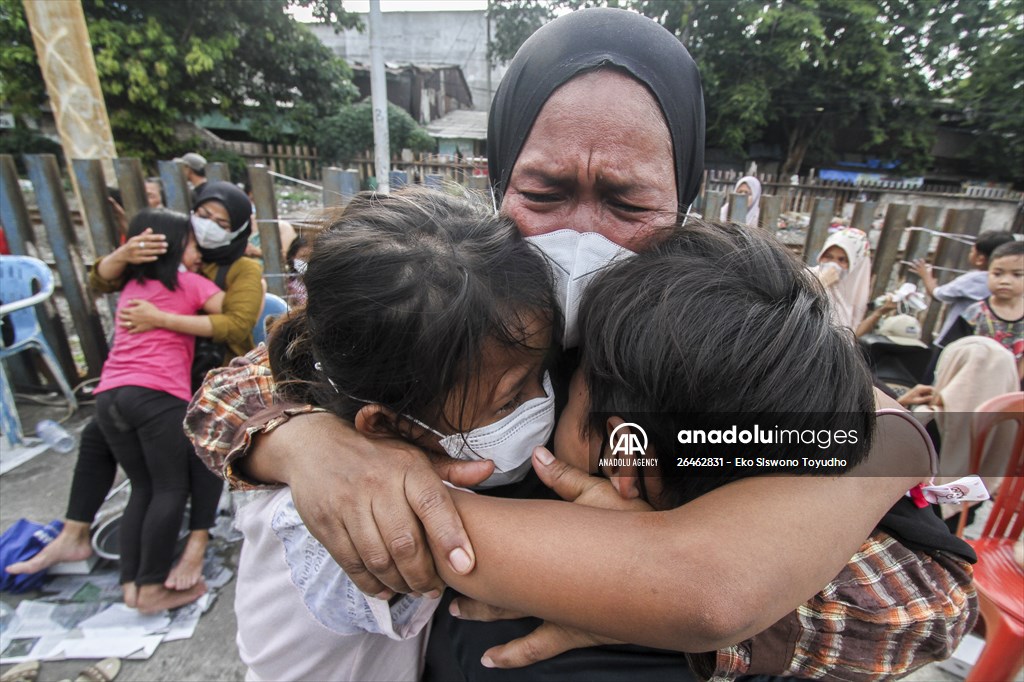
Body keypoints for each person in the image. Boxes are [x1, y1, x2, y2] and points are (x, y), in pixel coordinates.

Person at [185, 7, 932, 674]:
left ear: (687, 202)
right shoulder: (459, 302)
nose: (582, 235)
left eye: (626, 201)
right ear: (499, 183)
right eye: (543, 194)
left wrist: (639, 598)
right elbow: (245, 384)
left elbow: (920, 596)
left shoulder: (713, 349)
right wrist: (309, 447)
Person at [547, 220, 976, 680]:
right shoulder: (785, 388)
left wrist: (649, 595)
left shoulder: (823, 541)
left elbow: (942, 603)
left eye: (566, 397)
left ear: (625, 453)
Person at [235, 188, 559, 681]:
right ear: (387, 424)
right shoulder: (350, 518)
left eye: (546, 373)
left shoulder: (341, 418)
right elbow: (627, 583)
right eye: (510, 399)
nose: (544, 404)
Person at [8, 183, 264, 588]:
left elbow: (235, 324)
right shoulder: (163, 254)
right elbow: (100, 281)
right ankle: (74, 533)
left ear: (237, 230)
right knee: (97, 440)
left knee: (190, 463)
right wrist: (121, 254)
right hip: (151, 385)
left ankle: (195, 545)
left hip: (209, 380)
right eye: (204, 217)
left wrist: (160, 318)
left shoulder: (241, 269)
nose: (210, 228)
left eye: (222, 222)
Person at [92, 208, 224, 612]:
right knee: (171, 488)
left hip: (110, 396)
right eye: (190, 242)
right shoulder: (190, 284)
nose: (196, 247)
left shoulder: (131, 283)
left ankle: (133, 585)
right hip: (156, 396)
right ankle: (151, 589)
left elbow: (99, 275)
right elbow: (230, 315)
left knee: (143, 488)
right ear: (172, 248)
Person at [912, 230, 1014, 344]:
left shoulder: (974, 279)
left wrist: (925, 275)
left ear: (980, 259)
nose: (970, 254)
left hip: (954, 340)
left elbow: (938, 295)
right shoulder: (1011, 283)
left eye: (972, 251)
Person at [961, 240, 1024, 378]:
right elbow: (952, 351)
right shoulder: (975, 313)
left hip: (1013, 391)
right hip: (971, 382)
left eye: (1017, 274)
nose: (1005, 281)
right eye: (997, 274)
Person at [812, 227, 872, 330]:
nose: (833, 264)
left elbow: (852, 334)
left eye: (842, 260)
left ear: (856, 266)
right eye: (828, 257)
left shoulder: (855, 291)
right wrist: (820, 284)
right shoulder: (807, 276)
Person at [283, 235, 310, 306]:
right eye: (303, 256)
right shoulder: (287, 284)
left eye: (311, 256)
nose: (308, 260)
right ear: (293, 257)